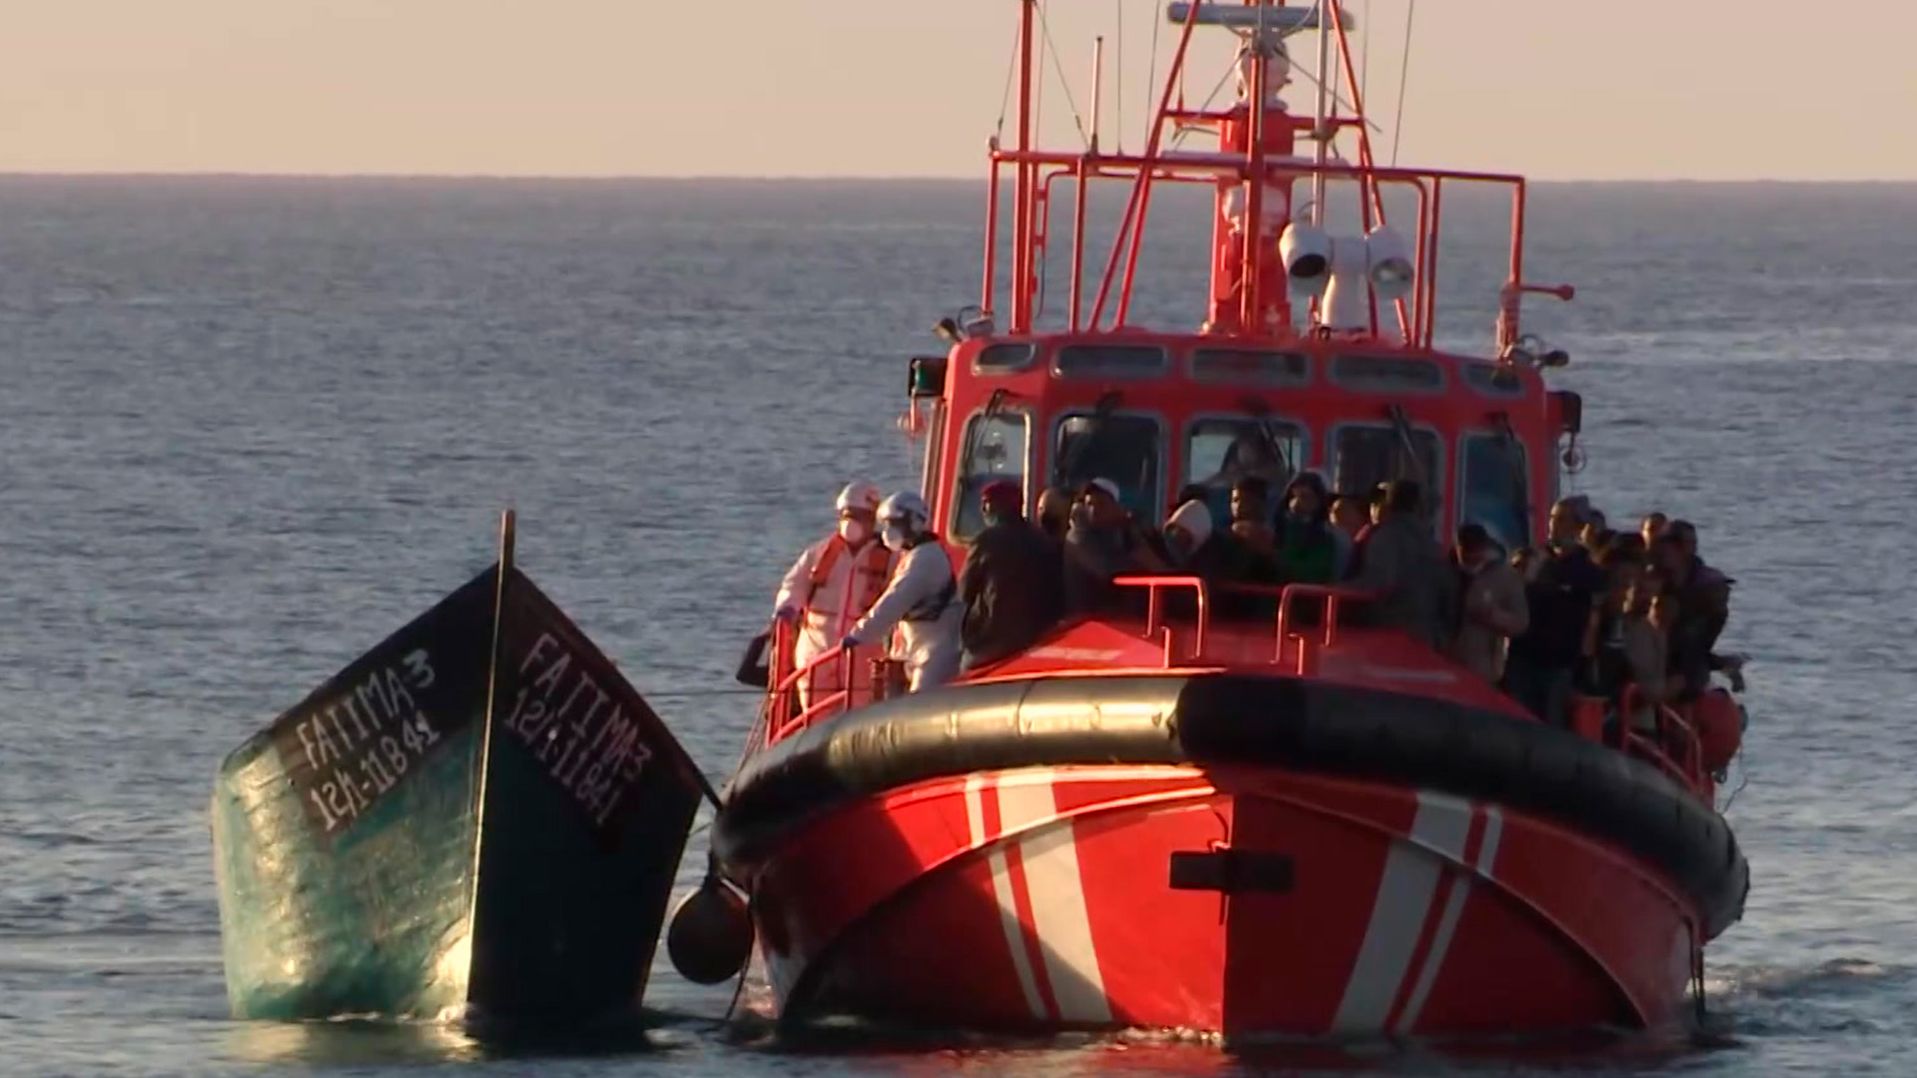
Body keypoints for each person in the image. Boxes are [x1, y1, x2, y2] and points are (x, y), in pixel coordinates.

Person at [771, 481, 895, 709]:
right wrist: (787, 607)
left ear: (872, 519)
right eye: (847, 515)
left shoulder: (890, 558)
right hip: (817, 650)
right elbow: (793, 585)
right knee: (815, 713)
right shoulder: (818, 554)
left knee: (860, 714)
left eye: (859, 515)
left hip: (863, 653)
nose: (852, 521)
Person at [843, 491, 963, 692]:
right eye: (886, 525)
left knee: (922, 703)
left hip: (936, 653)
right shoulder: (914, 556)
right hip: (918, 650)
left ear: (915, 523)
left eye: (895, 524)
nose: (888, 531)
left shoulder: (925, 559)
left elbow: (896, 599)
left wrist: (859, 634)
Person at [1503, 497, 1604, 726]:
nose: (1554, 525)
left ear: (1578, 526)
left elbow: (1592, 623)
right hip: (1522, 657)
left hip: (1558, 664)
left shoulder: (1587, 572)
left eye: (1561, 520)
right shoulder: (1533, 559)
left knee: (1551, 722)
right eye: (1552, 518)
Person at [958, 480, 1064, 671]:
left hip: (992, 638)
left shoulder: (986, 541)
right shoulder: (1041, 539)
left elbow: (964, 592)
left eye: (987, 503)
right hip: (1037, 636)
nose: (983, 509)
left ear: (998, 507)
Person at [1346, 480, 1455, 648]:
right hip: (1425, 637)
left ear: (1389, 503)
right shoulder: (1433, 546)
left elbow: (1377, 582)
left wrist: (1335, 590)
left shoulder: (1384, 537)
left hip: (1385, 633)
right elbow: (1448, 595)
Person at [1063, 478, 1169, 612]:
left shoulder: (1120, 532)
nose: (1094, 510)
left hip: (1115, 614)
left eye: (1101, 504)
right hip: (1089, 615)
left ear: (1116, 507)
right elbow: (1107, 570)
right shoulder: (1079, 535)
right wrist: (1141, 559)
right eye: (1089, 504)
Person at [1450, 523, 1529, 683]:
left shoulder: (1505, 577)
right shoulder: (1448, 570)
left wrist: (1494, 616)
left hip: (1482, 667)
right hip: (1445, 662)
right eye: (1465, 553)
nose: (1470, 558)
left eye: (1474, 552)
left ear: (1484, 548)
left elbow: (1521, 622)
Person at [1276, 472, 1340, 584]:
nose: (1299, 502)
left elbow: (1314, 572)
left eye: (1306, 497)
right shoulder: (1276, 527)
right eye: (1295, 496)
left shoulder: (1324, 537)